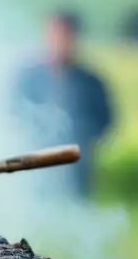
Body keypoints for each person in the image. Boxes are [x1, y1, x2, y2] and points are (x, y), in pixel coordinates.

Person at [13, 10, 114, 196]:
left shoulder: (91, 82)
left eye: (65, 35)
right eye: (54, 34)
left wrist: (83, 140)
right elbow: (12, 115)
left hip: (77, 170)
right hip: (33, 169)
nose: (59, 41)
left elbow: (106, 121)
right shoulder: (28, 78)